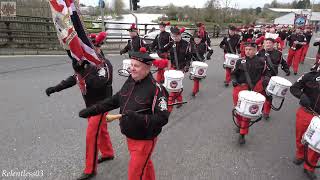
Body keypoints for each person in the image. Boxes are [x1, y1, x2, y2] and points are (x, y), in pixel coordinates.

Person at [78, 47, 170, 180]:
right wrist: (92, 110)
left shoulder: (157, 89)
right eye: (131, 64)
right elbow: (116, 99)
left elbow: (162, 118)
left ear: (147, 68)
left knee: (134, 173)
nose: (132, 68)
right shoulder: (131, 80)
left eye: (136, 66)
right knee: (145, 163)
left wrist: (137, 118)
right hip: (130, 135)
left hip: (144, 139)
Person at [45, 32, 114, 180]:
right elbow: (75, 78)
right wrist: (55, 88)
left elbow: (99, 83)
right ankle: (108, 152)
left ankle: (90, 169)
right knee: (101, 130)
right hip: (90, 104)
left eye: (89, 47)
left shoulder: (105, 64)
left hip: (101, 104)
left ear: (98, 47)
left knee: (91, 135)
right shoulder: (85, 63)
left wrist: (84, 70)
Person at [231, 41, 266, 145]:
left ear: (256, 50)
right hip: (240, 88)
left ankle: (242, 134)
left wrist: (264, 84)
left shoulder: (261, 61)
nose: (248, 51)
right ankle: (239, 124)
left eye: (250, 49)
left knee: (246, 113)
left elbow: (267, 74)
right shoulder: (240, 61)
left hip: (253, 90)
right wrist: (234, 80)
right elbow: (234, 74)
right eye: (246, 49)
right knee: (238, 109)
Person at [290, 63, 320, 180]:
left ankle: (309, 167)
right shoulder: (309, 76)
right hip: (306, 113)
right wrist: (301, 95)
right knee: (301, 136)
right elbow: (294, 88)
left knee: (317, 144)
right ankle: (300, 154)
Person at [257, 38, 290, 120]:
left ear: (273, 44)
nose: (267, 44)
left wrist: (286, 69)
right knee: (260, 93)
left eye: (269, 43)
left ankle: (266, 112)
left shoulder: (278, 53)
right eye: (266, 43)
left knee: (269, 95)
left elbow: (283, 62)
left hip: (272, 78)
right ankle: (260, 108)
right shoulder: (260, 52)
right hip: (261, 76)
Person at [163, 26, 192, 110]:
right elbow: (163, 51)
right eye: (173, 36)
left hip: (181, 68)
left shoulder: (187, 45)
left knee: (174, 86)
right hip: (172, 67)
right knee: (175, 86)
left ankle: (169, 105)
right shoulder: (171, 43)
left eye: (176, 36)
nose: (174, 38)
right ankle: (179, 100)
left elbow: (189, 57)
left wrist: (187, 66)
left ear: (180, 35)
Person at [190, 31, 207, 96]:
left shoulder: (203, 45)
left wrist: (208, 55)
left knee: (196, 78)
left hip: (200, 62)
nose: (196, 40)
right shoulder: (192, 45)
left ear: (200, 39)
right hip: (194, 62)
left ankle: (195, 91)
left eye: (198, 39)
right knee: (195, 77)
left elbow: (210, 50)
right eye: (195, 39)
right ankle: (196, 89)